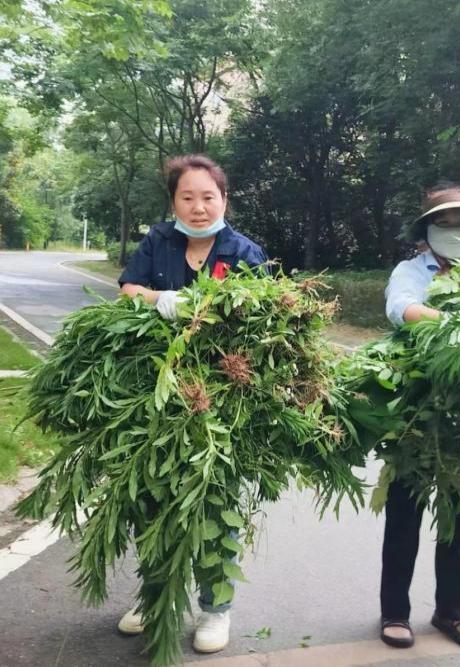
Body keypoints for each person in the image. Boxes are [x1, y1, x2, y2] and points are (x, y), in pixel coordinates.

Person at [115, 153, 267, 654]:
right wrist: (160, 300)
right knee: (154, 500)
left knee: (214, 503)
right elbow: (128, 289)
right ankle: (156, 597)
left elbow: (264, 320)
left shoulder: (245, 251)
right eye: (188, 197)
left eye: (208, 196)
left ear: (224, 199)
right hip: (157, 394)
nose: (198, 207)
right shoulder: (158, 242)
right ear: (173, 201)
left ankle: (215, 609)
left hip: (221, 399)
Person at [379, 184, 460, 651]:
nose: (455, 231)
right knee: (404, 515)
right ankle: (394, 612)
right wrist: (453, 323)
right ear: (427, 231)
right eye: (445, 223)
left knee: (457, 518)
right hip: (414, 411)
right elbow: (400, 308)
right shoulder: (412, 270)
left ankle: (453, 612)